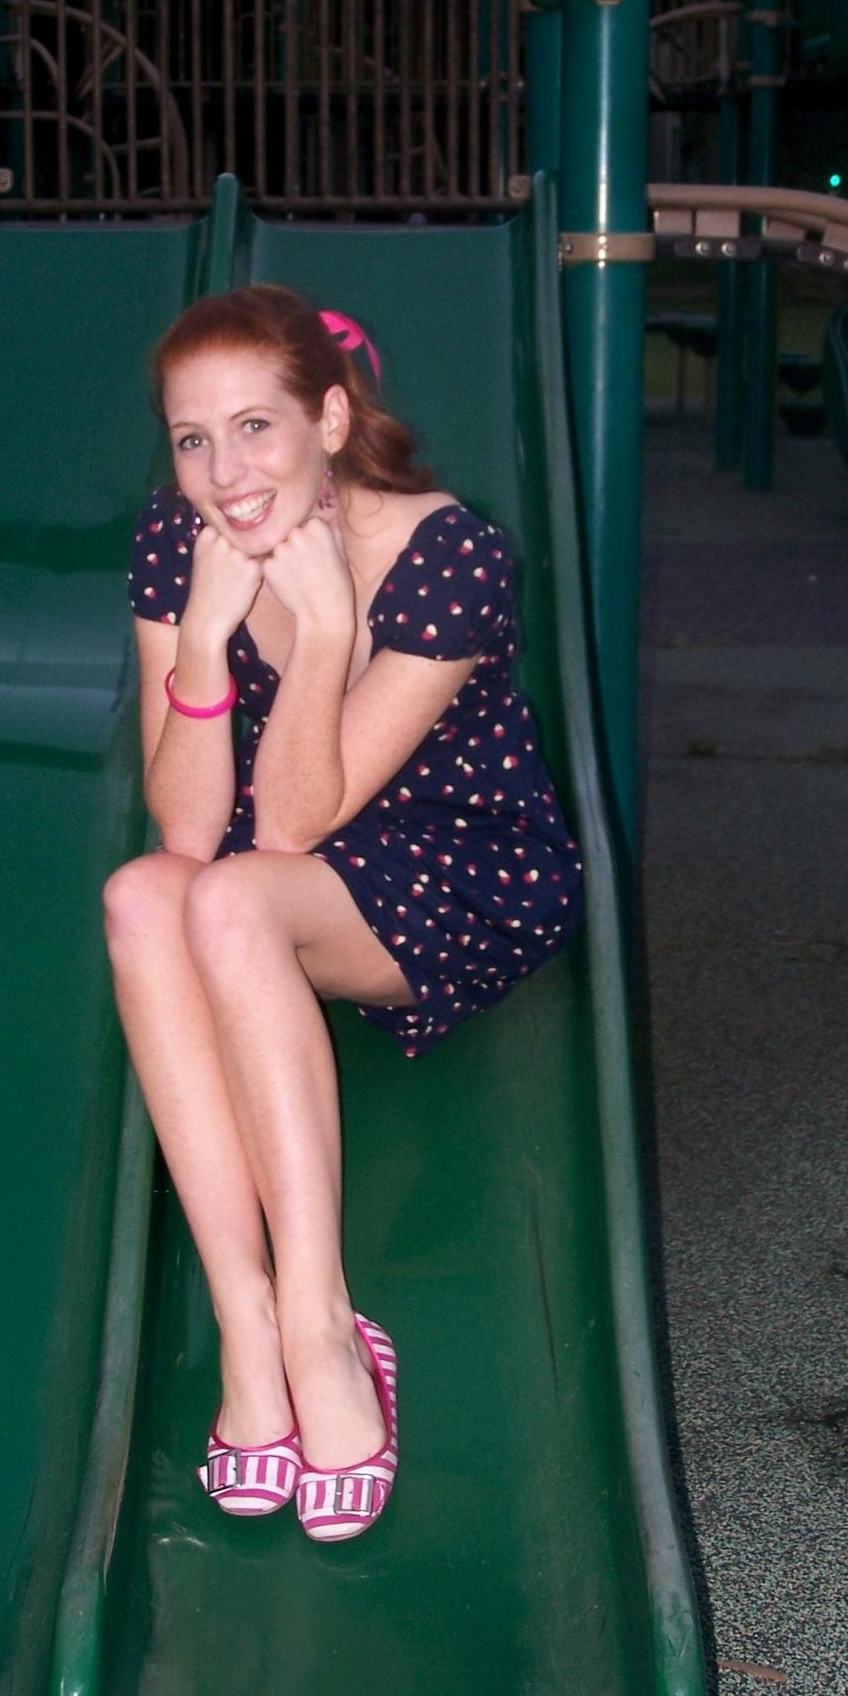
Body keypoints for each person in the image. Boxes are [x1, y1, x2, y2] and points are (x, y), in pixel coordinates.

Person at [103, 284, 582, 1542]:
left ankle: (322, 1325)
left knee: (231, 905)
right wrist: (202, 639)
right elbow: (186, 829)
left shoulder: (446, 555)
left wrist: (323, 631)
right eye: (192, 439)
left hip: (456, 867)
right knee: (145, 897)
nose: (223, 474)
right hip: (275, 866)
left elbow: (291, 825)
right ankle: (246, 1326)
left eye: (254, 427)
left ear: (327, 418)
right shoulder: (175, 543)